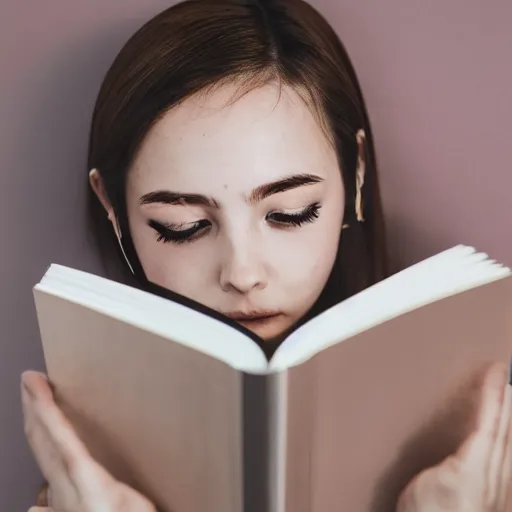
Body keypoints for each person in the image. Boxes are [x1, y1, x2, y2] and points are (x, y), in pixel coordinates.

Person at [22, 0, 512, 510]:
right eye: (182, 227)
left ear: (356, 174)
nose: (243, 274)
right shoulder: (85, 456)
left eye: (291, 213)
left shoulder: (484, 432)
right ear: (113, 208)